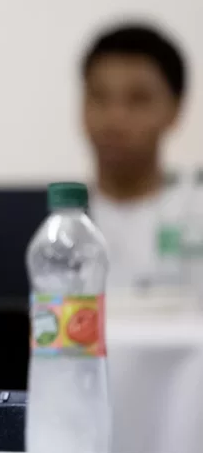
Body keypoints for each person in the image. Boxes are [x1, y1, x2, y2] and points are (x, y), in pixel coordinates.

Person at [81, 23, 188, 289]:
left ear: (175, 109)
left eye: (138, 99)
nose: (114, 119)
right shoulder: (51, 230)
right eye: (99, 97)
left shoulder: (193, 216)